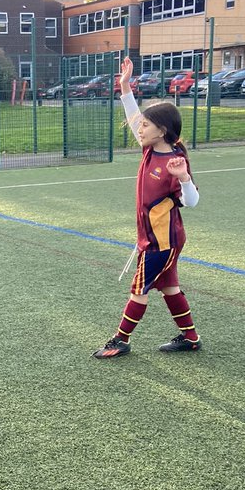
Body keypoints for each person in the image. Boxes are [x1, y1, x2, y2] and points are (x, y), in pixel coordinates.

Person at [93, 58, 201, 360]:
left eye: (146, 125)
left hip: (161, 243)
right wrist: (125, 86)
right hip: (154, 239)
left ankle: (120, 341)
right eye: (141, 124)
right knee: (170, 289)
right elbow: (132, 115)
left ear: (162, 130)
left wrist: (184, 178)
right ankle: (190, 339)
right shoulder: (150, 148)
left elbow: (191, 202)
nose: (139, 128)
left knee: (138, 289)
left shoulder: (175, 162)